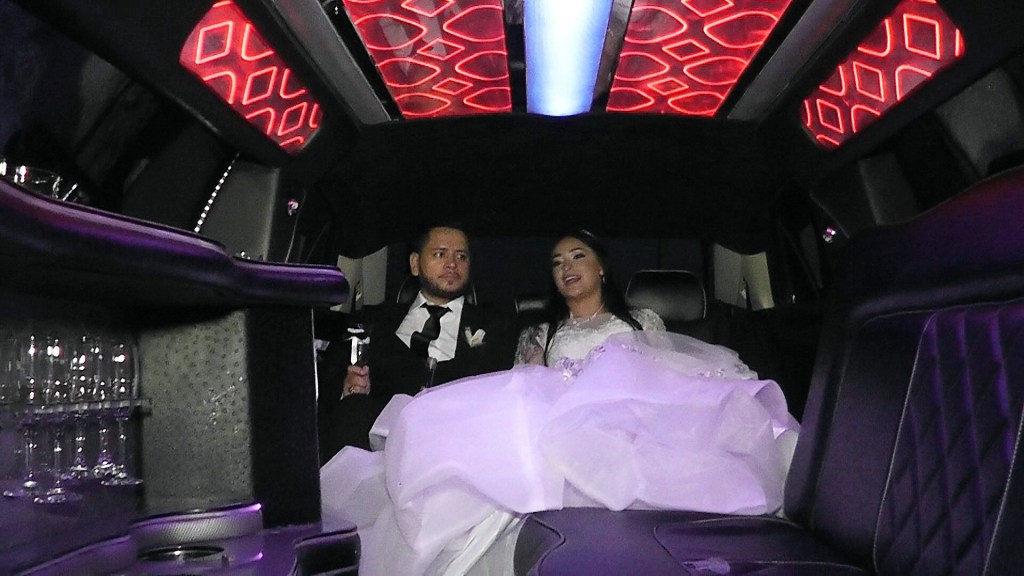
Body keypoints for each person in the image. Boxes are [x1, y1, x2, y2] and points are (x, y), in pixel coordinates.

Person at [320, 231, 799, 576]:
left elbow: (663, 375)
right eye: (557, 262)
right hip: (567, 424)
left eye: (578, 256)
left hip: (632, 418)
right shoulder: (539, 333)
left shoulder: (641, 321)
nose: (567, 267)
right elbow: (523, 386)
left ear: (601, 267)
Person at [318, 223, 514, 460]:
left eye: (461, 256)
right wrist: (350, 390)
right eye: (440, 254)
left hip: (459, 447)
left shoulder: (496, 327)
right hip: (380, 447)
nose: (452, 264)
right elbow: (327, 384)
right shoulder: (372, 321)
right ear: (415, 263)